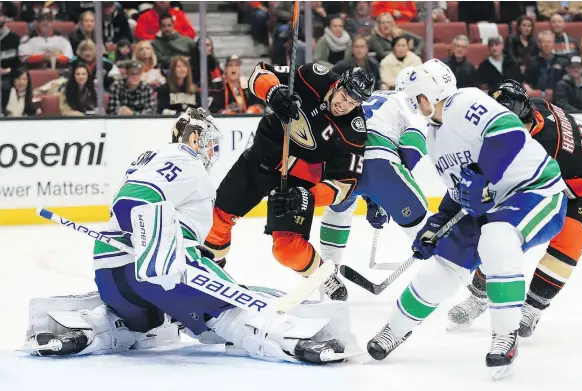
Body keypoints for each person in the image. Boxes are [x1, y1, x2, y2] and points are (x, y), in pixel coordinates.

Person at [23, 108, 350, 365]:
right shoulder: (182, 158)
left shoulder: (151, 160)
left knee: (150, 326)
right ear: (196, 138)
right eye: (210, 143)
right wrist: (155, 249)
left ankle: (91, 328)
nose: (211, 152)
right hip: (158, 268)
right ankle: (292, 339)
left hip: (116, 277)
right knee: (230, 311)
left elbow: (136, 208)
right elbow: (133, 200)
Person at [369, 60, 567, 380]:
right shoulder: (434, 135)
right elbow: (460, 190)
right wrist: (438, 222)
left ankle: (505, 335)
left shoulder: (466, 101)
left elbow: (508, 135)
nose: (410, 104)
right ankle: (395, 329)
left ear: (431, 93)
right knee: (443, 266)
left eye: (414, 95)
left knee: (497, 239)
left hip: (535, 190)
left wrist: (479, 174)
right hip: (490, 203)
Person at [204, 64, 374, 301]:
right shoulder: (314, 76)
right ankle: (209, 274)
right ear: (338, 85)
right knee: (215, 223)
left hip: (296, 184)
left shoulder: (354, 131)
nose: (344, 106)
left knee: (288, 251)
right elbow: (259, 73)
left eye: (353, 104)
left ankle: (324, 276)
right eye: (344, 96)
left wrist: (310, 197)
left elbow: (345, 184)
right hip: (262, 159)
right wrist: (273, 91)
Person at [447, 79, 582, 339]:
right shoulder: (532, 107)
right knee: (505, 232)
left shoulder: (543, 145)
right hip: (560, 178)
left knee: (567, 240)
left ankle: (532, 309)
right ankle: (479, 297)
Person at [319, 80, 430, 268]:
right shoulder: (410, 106)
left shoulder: (371, 95)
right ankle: (462, 275)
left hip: (338, 158)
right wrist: (383, 199)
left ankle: (328, 274)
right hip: (379, 163)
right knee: (423, 225)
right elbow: (410, 149)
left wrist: (373, 199)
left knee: (338, 210)